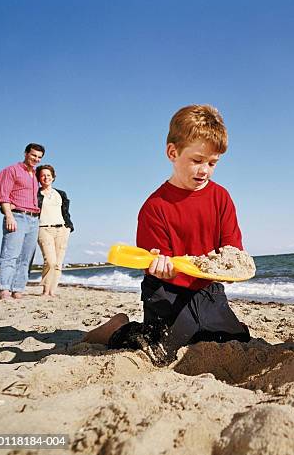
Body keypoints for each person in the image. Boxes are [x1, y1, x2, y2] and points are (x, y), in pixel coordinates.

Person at [83, 104, 250, 364]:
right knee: (160, 351)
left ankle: (218, 320)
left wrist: (232, 271)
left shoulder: (221, 198)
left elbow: (230, 251)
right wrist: (160, 267)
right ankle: (115, 330)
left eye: (212, 163)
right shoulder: (155, 207)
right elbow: (154, 261)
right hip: (166, 290)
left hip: (206, 288)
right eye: (196, 160)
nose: (204, 170)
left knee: (233, 343)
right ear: (173, 152)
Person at [0, 143, 45, 300]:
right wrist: (9, 215)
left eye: (39, 157)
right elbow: (3, 194)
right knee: (10, 255)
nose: (35, 159)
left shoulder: (36, 175)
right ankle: (4, 290)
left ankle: (18, 289)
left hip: (34, 219)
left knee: (26, 257)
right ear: (25, 153)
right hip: (17, 216)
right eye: (33, 155)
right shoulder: (12, 170)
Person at [36, 164, 74, 297]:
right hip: (43, 229)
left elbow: (66, 212)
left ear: (53, 177)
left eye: (48, 175)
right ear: (39, 178)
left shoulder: (61, 194)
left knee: (58, 263)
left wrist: (68, 227)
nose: (46, 177)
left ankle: (52, 291)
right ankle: (45, 290)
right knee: (50, 261)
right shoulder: (36, 194)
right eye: (42, 175)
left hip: (62, 229)